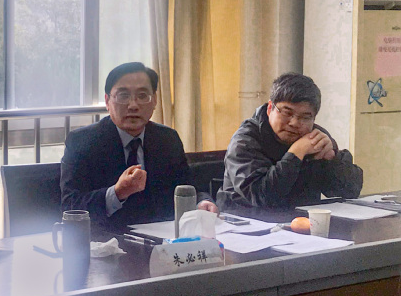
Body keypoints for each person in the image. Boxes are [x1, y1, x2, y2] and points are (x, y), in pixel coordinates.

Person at [60, 62, 218, 232]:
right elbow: (71, 206)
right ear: (107, 101)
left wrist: (202, 202)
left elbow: (189, 186)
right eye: (123, 95)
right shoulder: (82, 142)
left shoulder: (167, 139)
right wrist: (117, 193)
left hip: (162, 239)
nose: (133, 105)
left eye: (142, 96)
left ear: (154, 100)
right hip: (106, 240)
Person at [217, 72, 363, 210]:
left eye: (305, 117)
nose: (294, 123)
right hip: (244, 220)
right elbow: (262, 196)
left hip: (300, 221)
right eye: (287, 113)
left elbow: (351, 191)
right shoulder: (245, 140)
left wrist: (332, 160)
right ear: (270, 108)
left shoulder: (316, 138)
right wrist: (296, 152)